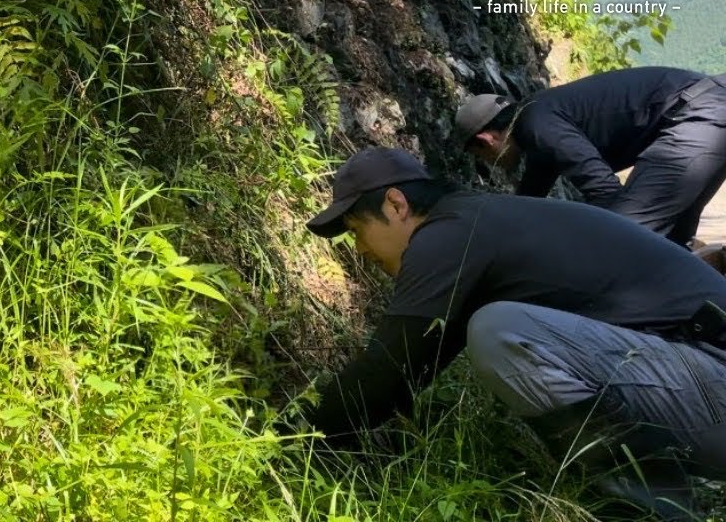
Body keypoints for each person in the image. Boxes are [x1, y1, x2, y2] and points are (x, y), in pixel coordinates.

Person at [301, 147, 726, 521]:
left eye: (357, 230)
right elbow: (411, 366)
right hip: (700, 378)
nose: (358, 248)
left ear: (396, 205)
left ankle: (649, 511)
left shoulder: (447, 236)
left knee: (500, 331)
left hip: (712, 372)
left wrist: (295, 437)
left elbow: (387, 366)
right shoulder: (480, 224)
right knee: (493, 327)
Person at [454, 66, 726, 246]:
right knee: (673, 241)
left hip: (698, 115)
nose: (490, 164)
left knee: (621, 238)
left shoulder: (536, 126)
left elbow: (605, 190)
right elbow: (528, 201)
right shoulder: (536, 123)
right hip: (710, 109)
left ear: (485, 139)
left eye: (481, 156)